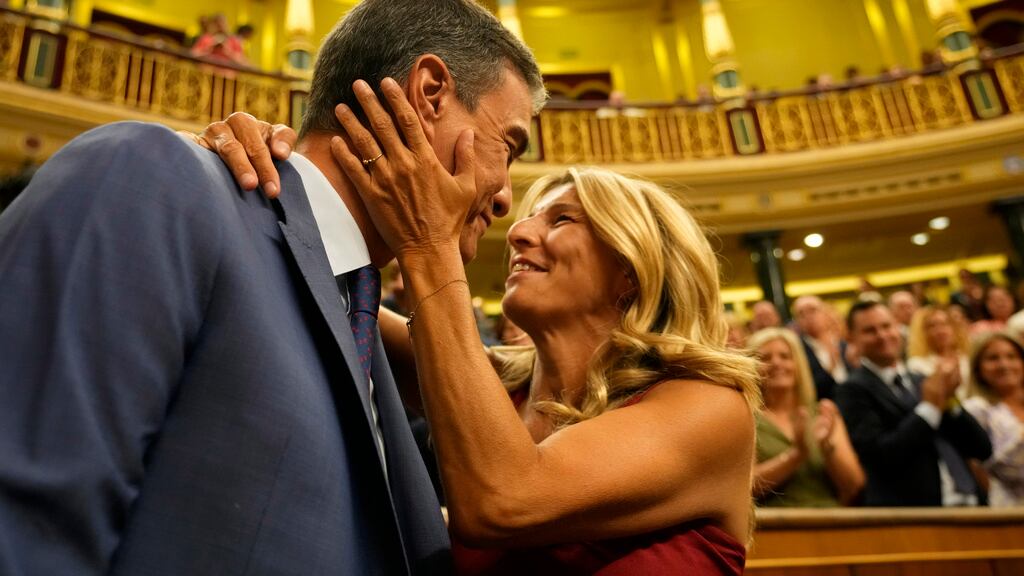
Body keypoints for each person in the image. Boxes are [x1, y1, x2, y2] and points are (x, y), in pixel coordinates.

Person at [0, 1, 544, 574]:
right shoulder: (156, 182)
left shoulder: (367, 326)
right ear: (429, 94)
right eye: (507, 147)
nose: (506, 196)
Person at [216, 92, 762, 571]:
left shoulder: (709, 408)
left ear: (632, 266)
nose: (519, 230)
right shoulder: (493, 380)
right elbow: (327, 290)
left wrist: (430, 246)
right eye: (529, 216)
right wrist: (264, 173)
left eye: (562, 220)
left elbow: (505, 498)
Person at [837, 300, 992, 506]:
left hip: (970, 503)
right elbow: (881, 457)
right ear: (852, 338)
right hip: (914, 516)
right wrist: (929, 409)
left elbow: (981, 448)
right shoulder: (851, 389)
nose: (883, 336)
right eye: (870, 331)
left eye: (886, 326)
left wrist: (950, 402)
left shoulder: (922, 380)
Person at [749, 329, 865, 507]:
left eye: (785, 356)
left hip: (832, 521)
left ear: (799, 364)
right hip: (775, 526)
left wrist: (827, 447)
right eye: (765, 358)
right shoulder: (746, 418)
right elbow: (744, 487)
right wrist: (796, 455)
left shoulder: (823, 414)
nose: (777, 363)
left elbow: (854, 485)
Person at [963, 333, 1024, 507]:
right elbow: (980, 467)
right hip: (1006, 508)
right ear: (978, 368)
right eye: (993, 358)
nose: (1004, 365)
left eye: (1012, 357)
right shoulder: (977, 409)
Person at [906, 306, 971, 397]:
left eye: (945, 323)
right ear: (922, 332)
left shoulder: (966, 357)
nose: (941, 330)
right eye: (932, 326)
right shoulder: (917, 364)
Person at [792, 295, 847, 400]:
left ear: (824, 313)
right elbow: (810, 388)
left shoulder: (843, 344)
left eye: (813, 310)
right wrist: (831, 366)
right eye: (801, 314)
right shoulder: (798, 351)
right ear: (797, 321)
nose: (808, 317)